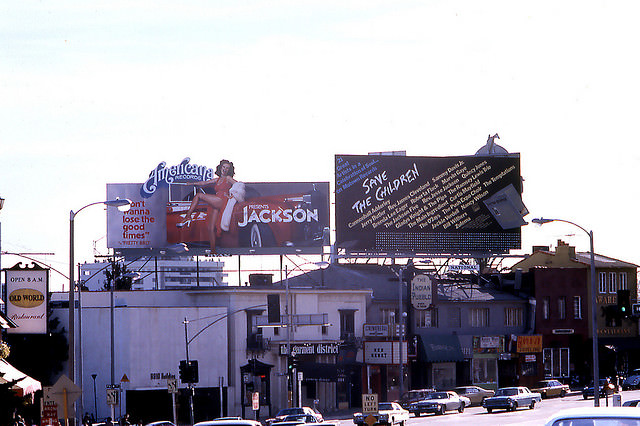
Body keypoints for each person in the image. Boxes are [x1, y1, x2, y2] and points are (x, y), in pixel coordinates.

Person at [177, 159, 239, 250]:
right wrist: (191, 183)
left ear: (229, 170)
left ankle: (188, 216)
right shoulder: (217, 179)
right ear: (220, 168)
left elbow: (238, 185)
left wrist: (232, 194)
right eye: (224, 167)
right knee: (211, 227)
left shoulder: (228, 178)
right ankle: (213, 250)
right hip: (216, 201)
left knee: (199, 195)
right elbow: (204, 183)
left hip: (222, 200)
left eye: (227, 168)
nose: (225, 169)